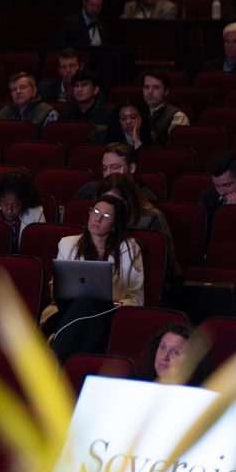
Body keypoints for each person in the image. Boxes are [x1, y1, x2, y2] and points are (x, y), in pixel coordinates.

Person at [43, 195, 144, 361]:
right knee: (85, 306)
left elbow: (136, 298)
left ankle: (56, 355)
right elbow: (57, 289)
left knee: (90, 305)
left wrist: (111, 304)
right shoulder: (67, 244)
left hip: (110, 314)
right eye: (95, 212)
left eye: (106, 216)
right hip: (66, 311)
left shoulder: (129, 248)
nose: (97, 219)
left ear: (115, 225)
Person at [97, 172, 179, 279]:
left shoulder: (153, 218)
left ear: (129, 200)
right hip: (110, 277)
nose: (109, 207)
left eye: (114, 202)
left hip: (146, 278)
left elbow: (168, 265)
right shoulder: (99, 218)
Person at [0, 169, 45, 246]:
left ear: (23, 202)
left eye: (15, 205)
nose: (9, 211)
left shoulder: (37, 214)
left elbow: (40, 246)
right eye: (5, 204)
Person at [74, 143, 158, 200]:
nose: (108, 173)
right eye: (105, 168)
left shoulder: (145, 197)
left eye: (115, 167)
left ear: (131, 168)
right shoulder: (90, 190)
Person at [139, 322, 213, 386]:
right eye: (162, 347)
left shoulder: (198, 393)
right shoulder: (140, 384)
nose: (165, 357)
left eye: (175, 352)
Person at [142, 70, 188, 136]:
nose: (150, 92)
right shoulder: (136, 113)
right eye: (146, 87)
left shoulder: (178, 116)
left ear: (166, 91)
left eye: (156, 87)